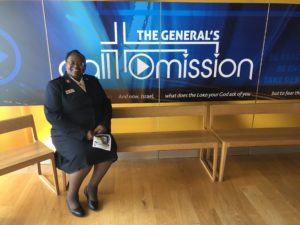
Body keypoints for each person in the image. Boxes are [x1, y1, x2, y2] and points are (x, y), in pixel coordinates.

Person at [44, 50, 118, 217]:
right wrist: (83, 133)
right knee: (84, 155)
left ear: (85, 66)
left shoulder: (92, 81)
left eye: (81, 63)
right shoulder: (56, 86)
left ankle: (91, 187)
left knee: (110, 148)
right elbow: (53, 116)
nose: (76, 66)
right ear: (66, 63)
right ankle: (72, 195)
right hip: (67, 134)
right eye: (72, 62)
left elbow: (106, 105)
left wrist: (103, 124)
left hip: (95, 131)